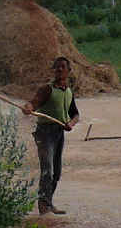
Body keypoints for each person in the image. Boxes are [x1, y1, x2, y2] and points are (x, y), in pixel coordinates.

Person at [23, 56, 80, 215]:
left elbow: (75, 114)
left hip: (59, 133)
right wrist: (28, 107)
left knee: (56, 172)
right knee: (47, 169)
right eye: (57, 67)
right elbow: (34, 102)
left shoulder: (68, 92)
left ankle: (48, 202)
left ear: (69, 71)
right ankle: (43, 207)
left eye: (63, 67)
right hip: (44, 133)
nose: (59, 69)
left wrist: (71, 124)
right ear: (53, 70)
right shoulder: (47, 89)